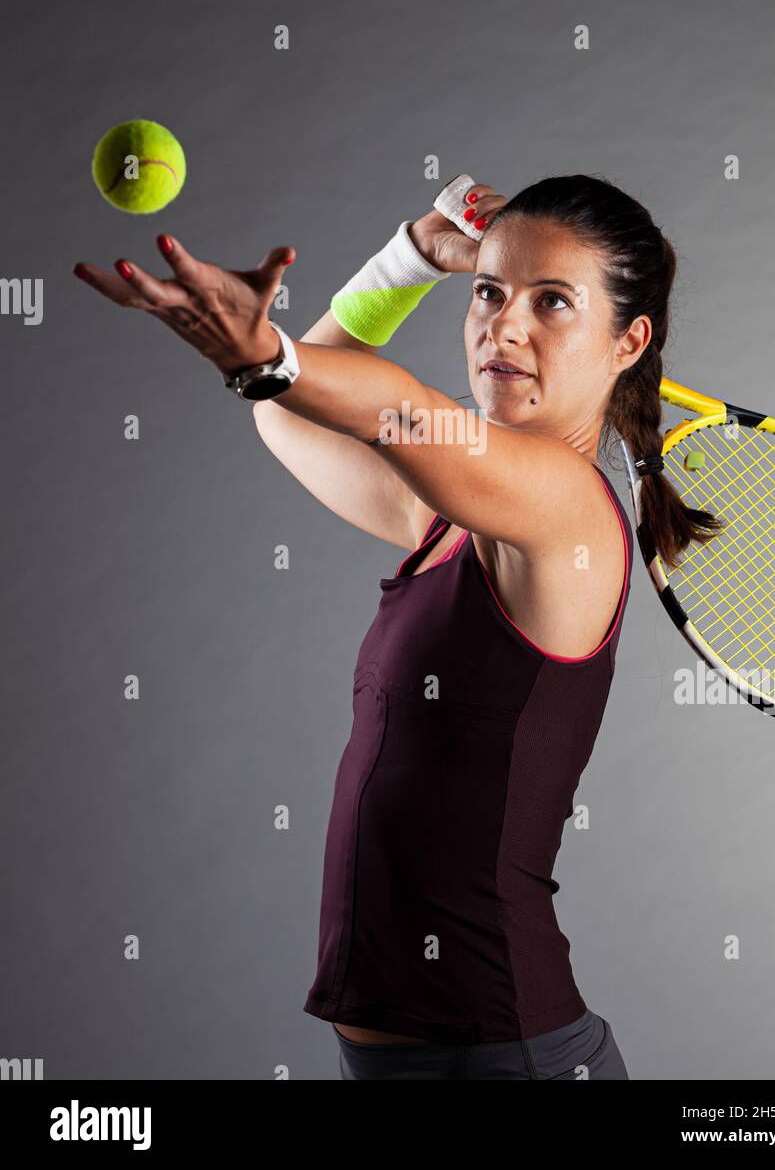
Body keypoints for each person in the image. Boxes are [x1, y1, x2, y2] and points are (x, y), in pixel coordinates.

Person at [73, 173, 721, 1080]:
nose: (505, 324)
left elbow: (393, 410)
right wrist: (410, 258)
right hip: (406, 1059)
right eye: (490, 291)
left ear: (630, 341)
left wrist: (270, 352)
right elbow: (287, 419)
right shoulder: (455, 520)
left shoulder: (565, 509)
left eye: (553, 303)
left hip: (502, 1056)